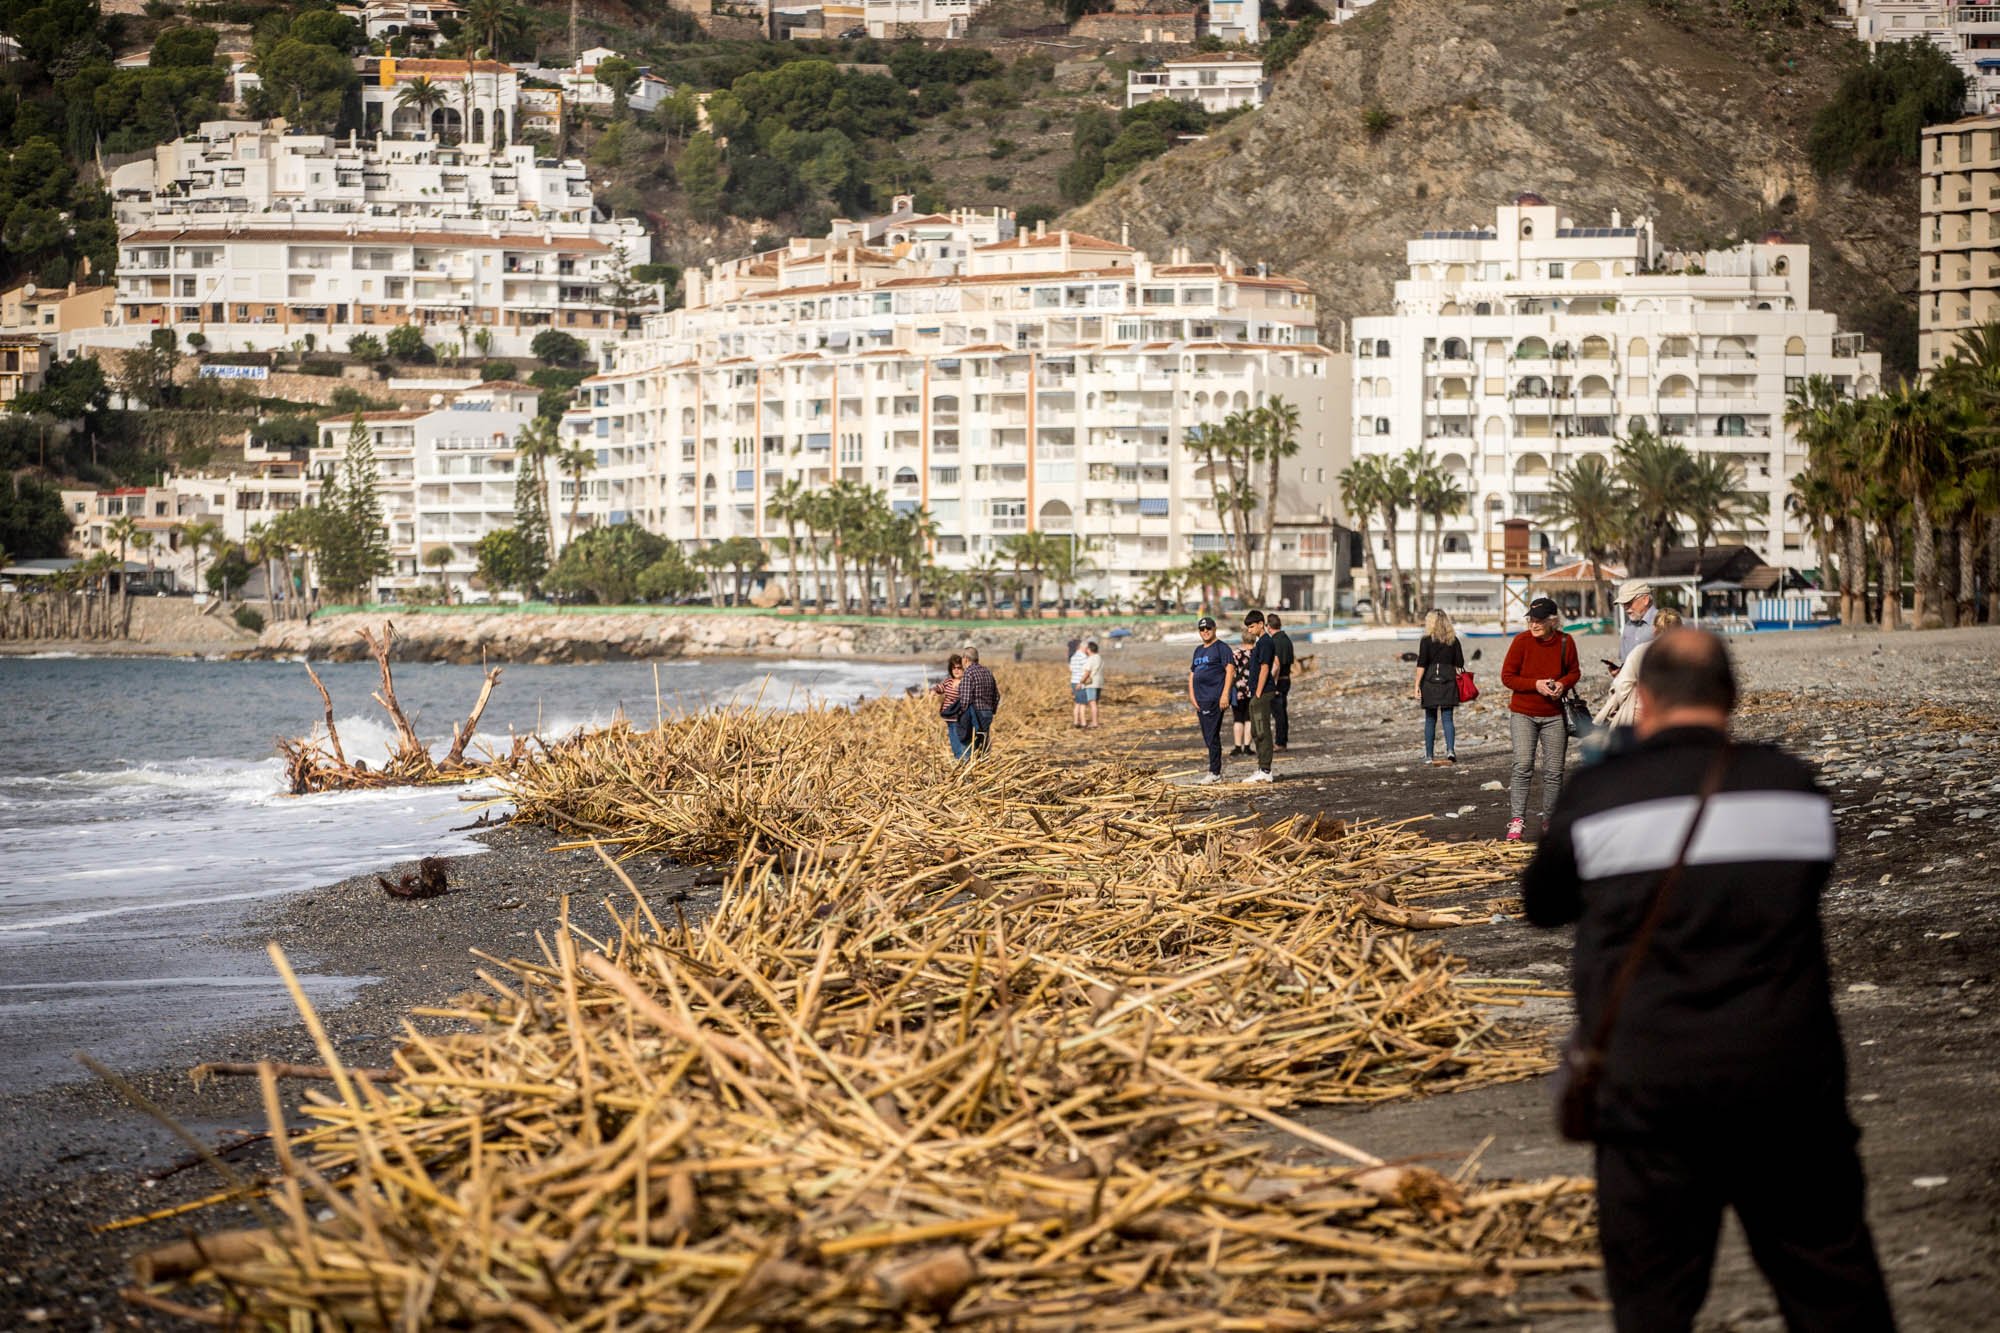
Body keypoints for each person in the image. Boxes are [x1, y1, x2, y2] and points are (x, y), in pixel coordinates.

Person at [1522, 631, 1894, 1333]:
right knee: (1832, 1288)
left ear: (1647, 697)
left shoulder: (1600, 795)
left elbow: (1542, 904)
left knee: (1655, 1303)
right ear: (1731, 698)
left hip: (1648, 1091)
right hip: (1788, 1085)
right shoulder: (1792, 787)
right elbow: (1807, 879)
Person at [1500, 596, 1580, 841]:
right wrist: (1535, 684)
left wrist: (1562, 684)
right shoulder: (1521, 641)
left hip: (1555, 716)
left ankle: (1549, 822)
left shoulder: (1566, 641)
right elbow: (1507, 677)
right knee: (1523, 764)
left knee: (1554, 771)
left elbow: (1574, 672)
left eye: (1539, 621)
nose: (1533, 625)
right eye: (1531, 619)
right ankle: (1516, 821)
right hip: (1523, 713)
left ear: (1553, 621)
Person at [1595, 609, 1684, 732]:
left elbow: (1622, 685)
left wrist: (1629, 703)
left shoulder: (1641, 651)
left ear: (1654, 628)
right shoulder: (1688, 654)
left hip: (1642, 718)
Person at [1414, 608, 1465, 766]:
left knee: (1430, 719)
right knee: (1447, 718)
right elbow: (1460, 663)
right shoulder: (1453, 640)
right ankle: (1450, 750)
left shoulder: (1426, 640)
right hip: (1448, 680)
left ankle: (1429, 755)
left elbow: (1421, 663)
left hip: (1430, 681)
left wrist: (1416, 685)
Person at [1188, 616, 1233, 784]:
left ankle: (1215, 772)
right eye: (1202, 629)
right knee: (1207, 736)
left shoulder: (1222, 648)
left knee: (1212, 735)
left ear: (1215, 629)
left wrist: (1225, 694)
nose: (1205, 631)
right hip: (1200, 700)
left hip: (1215, 698)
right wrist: (1192, 696)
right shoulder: (1198, 650)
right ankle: (1214, 771)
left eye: (1208, 628)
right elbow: (1192, 674)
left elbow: (1230, 670)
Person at [1242, 609, 1278, 783]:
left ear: (1261, 624)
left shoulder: (1265, 642)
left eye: (1251, 626)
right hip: (1257, 692)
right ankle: (1261, 767)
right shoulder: (1259, 642)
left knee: (1261, 729)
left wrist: (1258, 692)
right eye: (1248, 627)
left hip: (1263, 692)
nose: (1249, 630)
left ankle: (1266, 770)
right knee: (1256, 730)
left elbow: (1265, 668)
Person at [955, 646, 1000, 756]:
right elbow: (997, 696)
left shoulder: (968, 673)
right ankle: (983, 765)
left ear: (965, 659)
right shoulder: (987, 672)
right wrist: (992, 710)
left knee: (969, 744)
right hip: (987, 714)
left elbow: (965, 700)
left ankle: (969, 767)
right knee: (983, 743)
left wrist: (959, 715)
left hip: (974, 714)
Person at [1267, 613, 1296, 752]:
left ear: (1268, 626)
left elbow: (1276, 665)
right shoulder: (1286, 639)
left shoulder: (1275, 641)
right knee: (1282, 713)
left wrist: (1273, 683)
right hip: (1286, 679)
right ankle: (1283, 741)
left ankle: (1279, 742)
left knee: (1278, 714)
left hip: (1278, 681)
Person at [932, 653, 969, 759]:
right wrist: (934, 691)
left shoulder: (965, 682)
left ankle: (965, 762)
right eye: (953, 668)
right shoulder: (949, 681)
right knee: (954, 743)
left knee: (961, 741)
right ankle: (959, 762)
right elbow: (940, 687)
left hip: (960, 718)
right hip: (949, 718)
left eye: (959, 667)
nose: (956, 670)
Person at [1616, 579, 1657, 665]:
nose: (1625, 608)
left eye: (1628, 602)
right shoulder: (1628, 626)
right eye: (1623, 604)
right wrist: (1619, 673)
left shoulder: (1666, 621)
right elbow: (1625, 663)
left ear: (1645, 599)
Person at [1229, 628, 1256, 755]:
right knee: (1249, 719)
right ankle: (1247, 747)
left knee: (1238, 718)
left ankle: (1237, 747)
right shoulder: (1258, 653)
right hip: (1253, 690)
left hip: (1238, 690)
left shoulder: (1236, 653)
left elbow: (1230, 671)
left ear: (1242, 639)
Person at [1079, 640, 1104, 728]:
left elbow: (1087, 672)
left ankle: (1094, 722)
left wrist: (1081, 682)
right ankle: (1096, 721)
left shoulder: (1091, 659)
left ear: (1089, 649)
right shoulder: (1099, 657)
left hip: (1091, 683)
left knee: (1092, 703)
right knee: (1095, 704)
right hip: (1099, 682)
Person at [1068, 638, 1091, 729]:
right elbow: (1087, 671)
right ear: (1083, 647)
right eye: (1086, 648)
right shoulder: (1084, 657)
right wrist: (1082, 682)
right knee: (1083, 703)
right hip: (1080, 682)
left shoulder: (1073, 656)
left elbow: (1070, 669)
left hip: (1073, 681)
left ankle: (1075, 721)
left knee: (1077, 702)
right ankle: (1083, 723)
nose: (1087, 650)